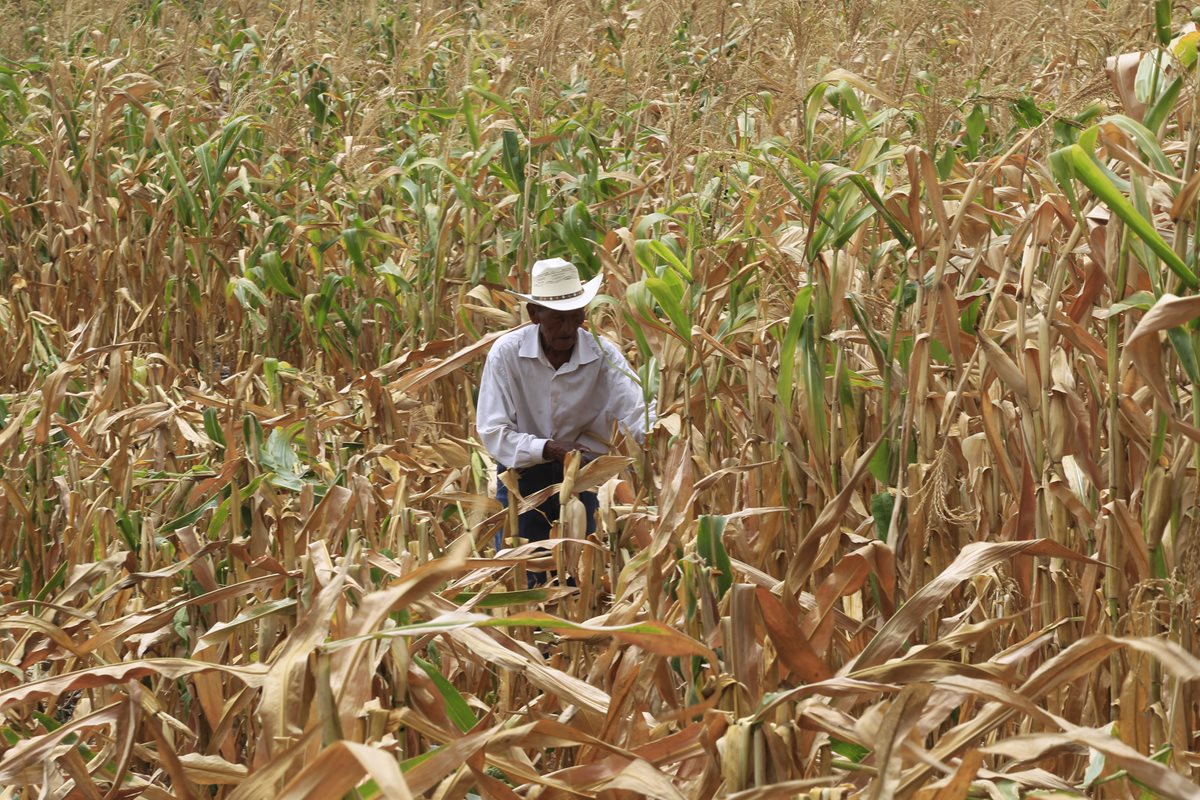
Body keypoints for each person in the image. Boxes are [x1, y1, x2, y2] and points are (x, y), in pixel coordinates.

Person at [476, 257, 655, 556]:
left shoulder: (603, 354)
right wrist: (549, 449)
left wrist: (663, 439)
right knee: (524, 571)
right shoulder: (506, 355)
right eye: (557, 318)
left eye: (576, 317)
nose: (568, 328)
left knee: (584, 572)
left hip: (584, 476)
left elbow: (638, 411)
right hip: (522, 478)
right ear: (535, 314)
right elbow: (493, 432)